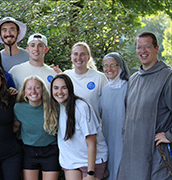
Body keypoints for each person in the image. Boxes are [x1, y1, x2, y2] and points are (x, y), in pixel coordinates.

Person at [118, 32, 172, 180]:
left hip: (156, 158)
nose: (142, 51)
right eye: (139, 47)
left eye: (147, 47)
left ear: (157, 48)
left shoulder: (167, 77)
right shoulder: (134, 79)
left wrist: (169, 135)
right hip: (132, 155)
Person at [48, 74, 108, 180]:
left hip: (90, 162)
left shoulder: (81, 107)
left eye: (64, 88)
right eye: (56, 88)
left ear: (70, 89)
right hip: (71, 162)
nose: (59, 92)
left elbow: (92, 142)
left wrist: (90, 173)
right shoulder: (58, 106)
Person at [13, 75, 60, 180]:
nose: (33, 91)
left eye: (37, 88)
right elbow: (14, 129)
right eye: (29, 88)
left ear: (42, 90)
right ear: (24, 92)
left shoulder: (54, 107)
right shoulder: (18, 108)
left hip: (50, 151)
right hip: (29, 151)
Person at [99, 52, 130, 180]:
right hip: (107, 138)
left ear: (120, 66)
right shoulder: (105, 89)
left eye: (113, 65)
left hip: (124, 139)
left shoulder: (129, 87)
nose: (109, 69)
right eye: (105, 66)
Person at [64, 42, 107, 116]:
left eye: (83, 54)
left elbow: (108, 105)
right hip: (70, 125)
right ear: (71, 57)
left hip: (92, 126)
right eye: (75, 54)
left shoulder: (99, 78)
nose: (79, 57)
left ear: (88, 58)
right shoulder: (66, 76)